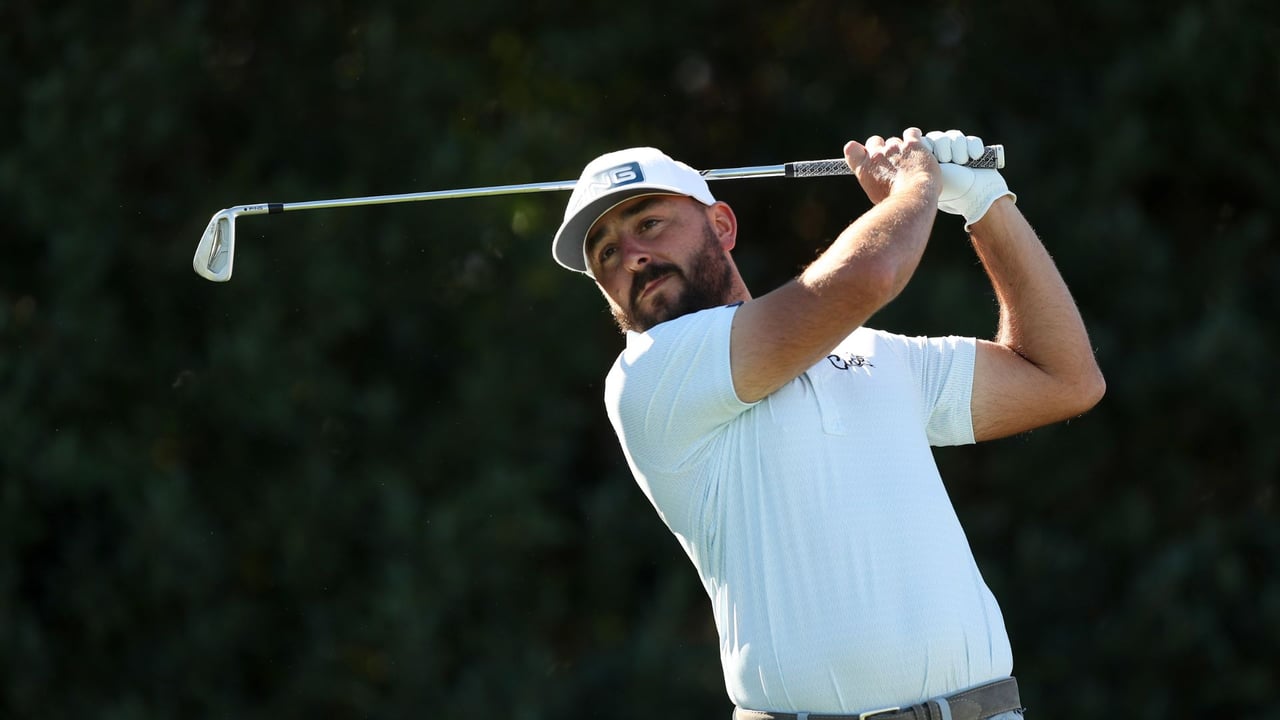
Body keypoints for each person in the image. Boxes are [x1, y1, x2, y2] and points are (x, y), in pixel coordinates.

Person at [550, 128, 1104, 720]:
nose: (630, 254)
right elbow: (867, 277)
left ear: (722, 225)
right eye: (605, 253)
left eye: (648, 223)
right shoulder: (648, 377)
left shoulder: (876, 353)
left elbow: (1064, 378)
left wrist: (985, 205)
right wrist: (918, 185)